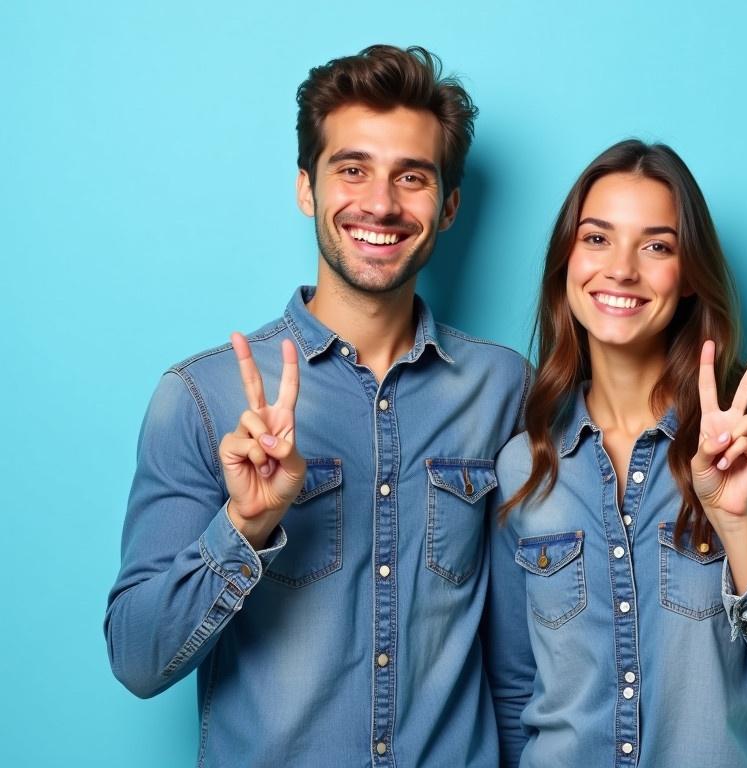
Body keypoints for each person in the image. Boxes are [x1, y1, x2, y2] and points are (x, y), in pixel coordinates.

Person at [105, 45, 530, 767]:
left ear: (449, 206)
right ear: (307, 188)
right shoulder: (202, 399)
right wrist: (244, 525)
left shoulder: (504, 390)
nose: (381, 204)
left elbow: (519, 664)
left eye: (413, 177)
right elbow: (138, 659)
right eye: (352, 169)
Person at [485, 140, 747, 767]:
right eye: (597, 238)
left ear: (688, 277)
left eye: (657, 246)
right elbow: (516, 691)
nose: (622, 268)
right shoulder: (525, 464)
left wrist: (736, 526)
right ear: (565, 261)